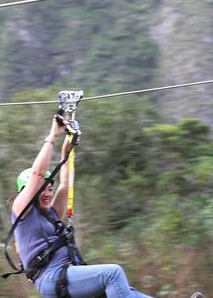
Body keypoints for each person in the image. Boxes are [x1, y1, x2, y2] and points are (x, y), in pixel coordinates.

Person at [11, 115, 152, 298]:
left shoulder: (51, 214)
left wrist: (67, 152)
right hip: (51, 278)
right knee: (113, 274)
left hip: (66, 275)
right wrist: (53, 136)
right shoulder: (23, 212)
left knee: (125, 290)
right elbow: (37, 174)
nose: (48, 194)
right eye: (42, 190)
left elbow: (65, 184)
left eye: (49, 189)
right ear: (27, 192)